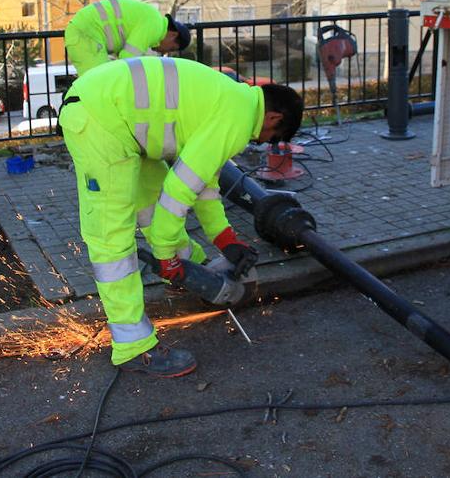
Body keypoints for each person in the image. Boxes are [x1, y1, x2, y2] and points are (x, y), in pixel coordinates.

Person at [58, 57, 303, 378]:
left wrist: (225, 239)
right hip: (101, 121)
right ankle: (133, 345)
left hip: (114, 117)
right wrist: (163, 255)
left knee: (151, 205)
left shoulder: (233, 99)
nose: (262, 142)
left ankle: (184, 273)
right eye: (272, 136)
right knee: (111, 235)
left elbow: (203, 182)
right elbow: (179, 193)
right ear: (273, 116)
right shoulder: (240, 118)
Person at [64, 0, 191, 73]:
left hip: (84, 32)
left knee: (97, 83)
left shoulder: (153, 18)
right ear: (173, 35)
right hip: (87, 33)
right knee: (100, 83)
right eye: (171, 48)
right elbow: (127, 59)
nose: (164, 53)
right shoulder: (155, 26)